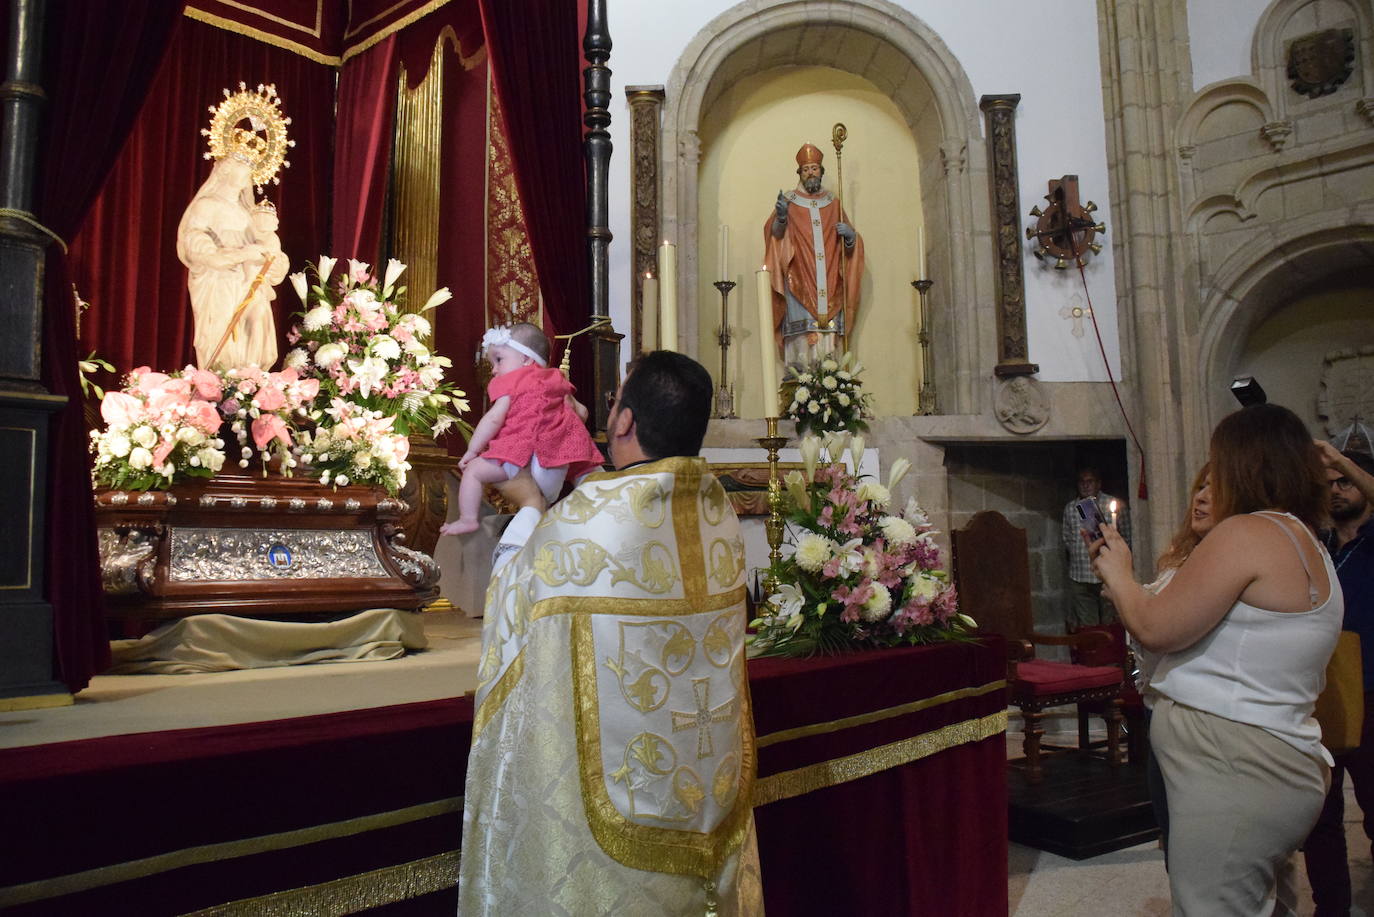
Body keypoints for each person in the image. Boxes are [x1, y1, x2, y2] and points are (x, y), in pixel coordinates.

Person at [457, 351, 763, 915]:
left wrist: (528, 508)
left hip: (625, 805)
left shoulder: (594, 517)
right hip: (703, 777)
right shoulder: (715, 510)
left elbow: (509, 603)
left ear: (624, 422)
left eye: (616, 400)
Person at [1092, 403, 1342, 915]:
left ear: (1245, 465)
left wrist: (1119, 573)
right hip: (1270, 760)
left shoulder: (1248, 532)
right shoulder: (1304, 538)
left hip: (1235, 766)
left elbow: (1157, 628)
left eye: (1218, 462)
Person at [440, 323, 603, 536]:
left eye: (499, 360)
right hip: (557, 463)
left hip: (520, 456)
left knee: (473, 472)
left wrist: (472, 450)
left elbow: (493, 419)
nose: (495, 370)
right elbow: (581, 413)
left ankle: (467, 519)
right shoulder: (556, 380)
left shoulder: (511, 382)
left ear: (526, 359)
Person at [1303, 445, 1374, 916]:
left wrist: (1340, 459)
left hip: (1372, 694)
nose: (1335, 489)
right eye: (1326, 483)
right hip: (1318, 696)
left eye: (1344, 481)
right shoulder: (1316, 547)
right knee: (1319, 819)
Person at [1134, 463, 1215, 862]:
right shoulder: (1183, 555)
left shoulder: (1224, 562)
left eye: (1216, 488)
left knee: (1201, 852)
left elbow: (1159, 630)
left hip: (1197, 719)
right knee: (1172, 839)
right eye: (1200, 486)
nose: (1200, 496)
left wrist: (1119, 579)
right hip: (1157, 706)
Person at [176, 156, 283, 370]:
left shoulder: (249, 213)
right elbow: (195, 242)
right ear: (226, 170)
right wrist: (237, 255)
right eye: (244, 166)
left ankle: (251, 384)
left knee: (255, 328)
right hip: (220, 283)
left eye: (251, 167)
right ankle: (221, 386)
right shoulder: (207, 205)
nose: (249, 172)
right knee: (221, 335)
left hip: (251, 284)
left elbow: (269, 249)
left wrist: (274, 260)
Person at [762, 142, 865, 363]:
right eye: (806, 169)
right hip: (797, 281)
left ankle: (831, 384)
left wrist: (850, 236)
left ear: (821, 171)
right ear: (800, 172)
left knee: (828, 348)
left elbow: (850, 248)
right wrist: (781, 218)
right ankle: (798, 386)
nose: (810, 172)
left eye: (814, 168)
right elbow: (775, 238)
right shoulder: (789, 201)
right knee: (802, 342)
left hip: (829, 282)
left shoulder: (834, 203)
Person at [1061, 466, 1131, 630]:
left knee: (1110, 623)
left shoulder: (1111, 504)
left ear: (1098, 484)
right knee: (1088, 627)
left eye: (1089, 481)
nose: (1085, 485)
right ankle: (1093, 655)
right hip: (1080, 575)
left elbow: (1126, 536)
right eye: (1081, 482)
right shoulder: (1071, 508)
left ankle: (1110, 654)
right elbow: (1067, 538)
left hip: (1107, 574)